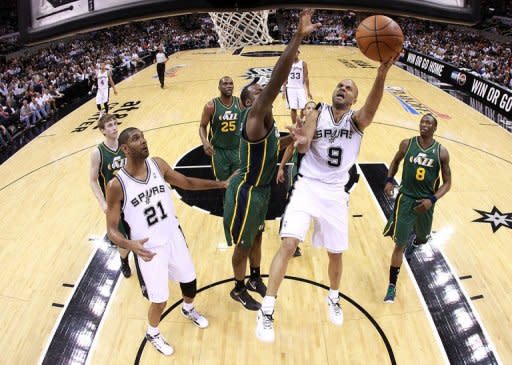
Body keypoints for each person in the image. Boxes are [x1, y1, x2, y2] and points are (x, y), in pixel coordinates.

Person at [256, 51, 396, 342]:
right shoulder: (317, 112)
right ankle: (267, 309)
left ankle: (333, 297)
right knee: (288, 242)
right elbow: (305, 144)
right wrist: (299, 138)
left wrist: (381, 74)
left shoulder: (357, 122)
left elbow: (372, 107)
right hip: (308, 186)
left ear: (354, 99)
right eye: (340, 86)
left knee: (335, 253)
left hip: (334, 193)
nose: (342, 89)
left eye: (348, 88)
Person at [223, 9, 320, 311]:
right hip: (247, 191)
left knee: (257, 236)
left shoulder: (264, 121)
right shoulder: (254, 115)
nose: (262, 89)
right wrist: (296, 38)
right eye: (257, 89)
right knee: (243, 243)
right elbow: (277, 80)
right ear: (250, 101)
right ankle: (238, 288)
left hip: (262, 189)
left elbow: (273, 145)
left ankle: (253, 277)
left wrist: (296, 138)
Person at [106, 127, 229, 356]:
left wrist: (220, 184)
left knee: (190, 281)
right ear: (124, 149)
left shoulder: (157, 165)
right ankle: (152, 332)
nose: (143, 141)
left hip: (173, 236)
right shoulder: (117, 185)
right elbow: (111, 230)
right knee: (160, 300)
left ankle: (188, 309)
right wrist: (130, 245)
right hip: (149, 250)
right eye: (135, 139)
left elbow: (186, 183)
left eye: (142, 136)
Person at [382, 113, 451, 303]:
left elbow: (447, 183)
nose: (424, 124)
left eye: (429, 122)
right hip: (406, 200)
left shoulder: (441, 152)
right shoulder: (407, 144)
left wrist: (432, 199)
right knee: (399, 245)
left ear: (435, 128)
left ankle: (417, 241)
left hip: (426, 202)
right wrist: (389, 179)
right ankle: (391, 286)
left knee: (422, 237)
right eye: (422, 121)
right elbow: (395, 161)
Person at [89, 114, 132, 278]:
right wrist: (102, 203)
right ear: (102, 131)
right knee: (122, 239)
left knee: (140, 232)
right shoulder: (97, 153)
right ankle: (124, 261)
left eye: (115, 124)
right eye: (109, 126)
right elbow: (93, 181)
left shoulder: (125, 145)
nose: (114, 127)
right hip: (115, 202)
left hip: (132, 197)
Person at [276, 100, 316, 257]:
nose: (311, 110)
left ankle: (293, 235)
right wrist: (281, 167)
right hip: (297, 175)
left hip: (312, 177)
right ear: (303, 112)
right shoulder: (299, 129)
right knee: (292, 205)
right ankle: (286, 234)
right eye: (308, 108)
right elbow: (289, 148)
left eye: (313, 108)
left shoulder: (318, 129)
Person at [199, 76, 242, 181]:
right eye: (225, 84)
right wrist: (205, 142)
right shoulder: (211, 106)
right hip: (219, 151)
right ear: (219, 87)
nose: (229, 86)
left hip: (237, 149)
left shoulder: (240, 103)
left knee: (238, 181)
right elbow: (202, 126)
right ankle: (224, 197)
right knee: (222, 182)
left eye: (231, 83)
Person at [282, 49, 312, 125]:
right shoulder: (287, 64)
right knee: (293, 108)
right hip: (290, 89)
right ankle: (294, 124)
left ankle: (300, 122)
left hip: (300, 88)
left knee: (304, 107)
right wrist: (283, 90)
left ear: (298, 53)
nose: (294, 54)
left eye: (296, 52)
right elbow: (285, 77)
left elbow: (306, 77)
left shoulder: (303, 63)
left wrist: (308, 91)